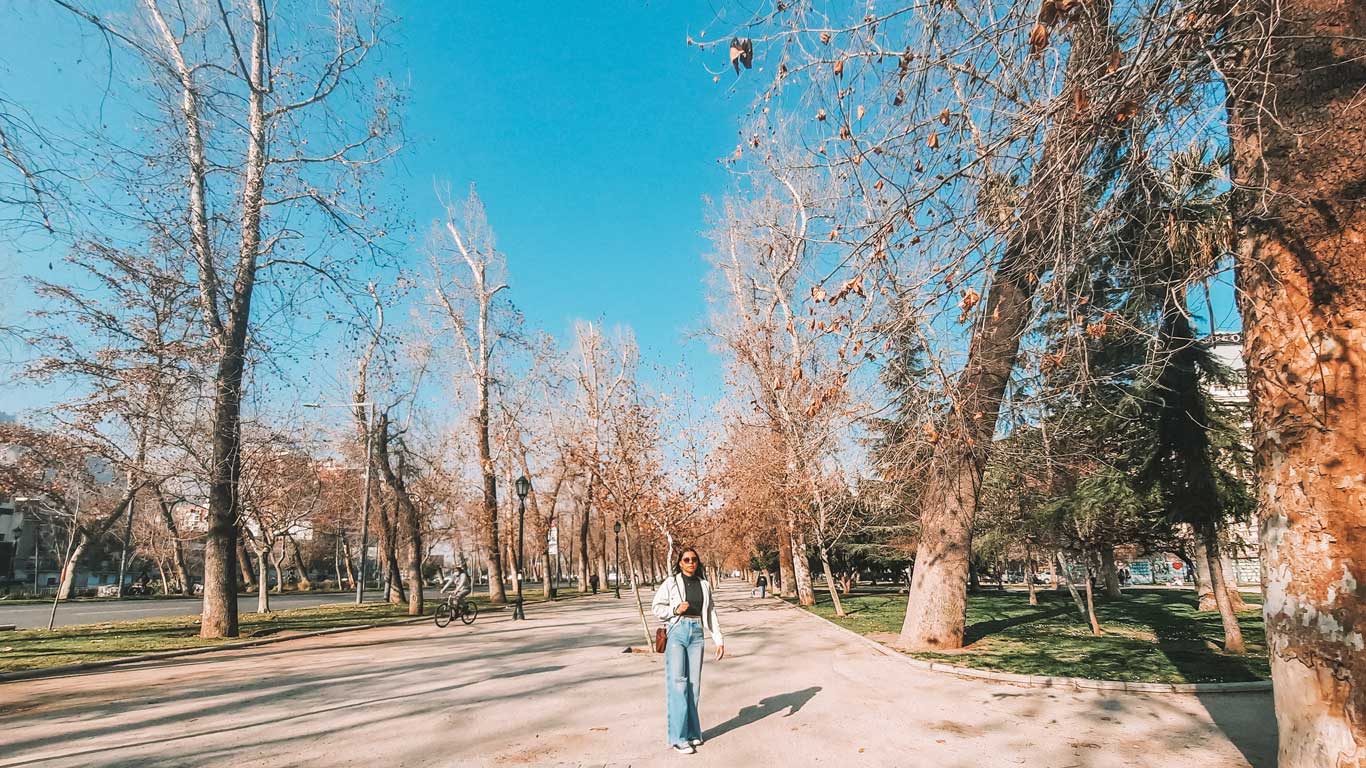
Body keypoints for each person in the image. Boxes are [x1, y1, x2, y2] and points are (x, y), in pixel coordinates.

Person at [651, 547, 725, 755]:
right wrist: (674, 610)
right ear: (680, 563)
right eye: (686, 559)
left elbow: (710, 613)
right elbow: (656, 607)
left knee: (694, 686)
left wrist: (718, 639)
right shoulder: (671, 583)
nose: (691, 562)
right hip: (677, 633)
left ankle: (693, 732)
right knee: (678, 684)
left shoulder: (704, 584)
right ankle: (678, 737)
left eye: (694, 559)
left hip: (697, 634)